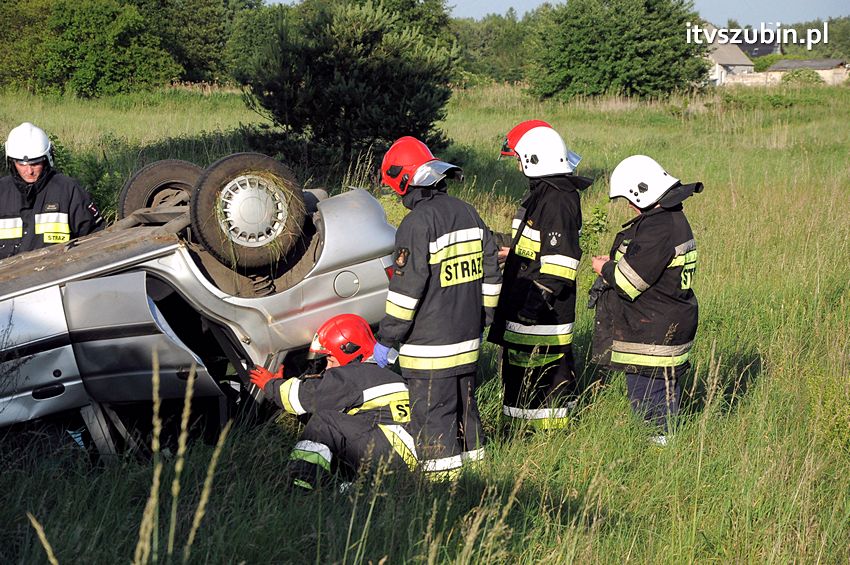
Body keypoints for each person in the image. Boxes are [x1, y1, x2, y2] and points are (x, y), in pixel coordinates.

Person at [372, 136, 501, 480]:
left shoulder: (415, 225)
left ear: (406, 181)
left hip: (430, 351)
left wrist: (386, 339)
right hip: (468, 341)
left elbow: (405, 293)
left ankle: (443, 491)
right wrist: (483, 317)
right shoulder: (468, 212)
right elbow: (491, 271)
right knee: (465, 414)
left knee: (434, 419)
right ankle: (478, 479)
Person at [487, 120, 592, 429]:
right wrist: (515, 254)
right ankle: (526, 431)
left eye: (520, 159)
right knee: (525, 380)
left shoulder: (557, 199)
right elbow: (541, 247)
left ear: (534, 159)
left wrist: (531, 308)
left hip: (541, 313)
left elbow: (560, 264)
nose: (518, 166)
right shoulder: (546, 193)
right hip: (532, 307)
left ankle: (537, 439)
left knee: (543, 383)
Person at [589, 155, 701, 440]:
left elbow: (629, 283)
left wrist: (605, 268)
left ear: (643, 191)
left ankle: (658, 455)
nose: (628, 204)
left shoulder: (658, 228)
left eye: (630, 197)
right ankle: (662, 448)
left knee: (650, 405)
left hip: (652, 335)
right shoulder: (672, 218)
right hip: (666, 325)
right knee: (663, 397)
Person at [249, 314, 417, 490]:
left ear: (349, 351)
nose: (327, 368)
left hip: (393, 452)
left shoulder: (355, 374)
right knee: (333, 427)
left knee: (324, 422)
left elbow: (304, 398)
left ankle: (300, 486)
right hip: (404, 455)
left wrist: (270, 384)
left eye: (330, 359)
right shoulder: (379, 374)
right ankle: (342, 489)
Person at [1, 122, 103, 259]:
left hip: (58, 276)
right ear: (11, 162)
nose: (29, 171)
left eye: (35, 163)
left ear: (47, 159)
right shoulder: (2, 192)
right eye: (22, 164)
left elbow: (97, 238)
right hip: (8, 278)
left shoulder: (68, 190)